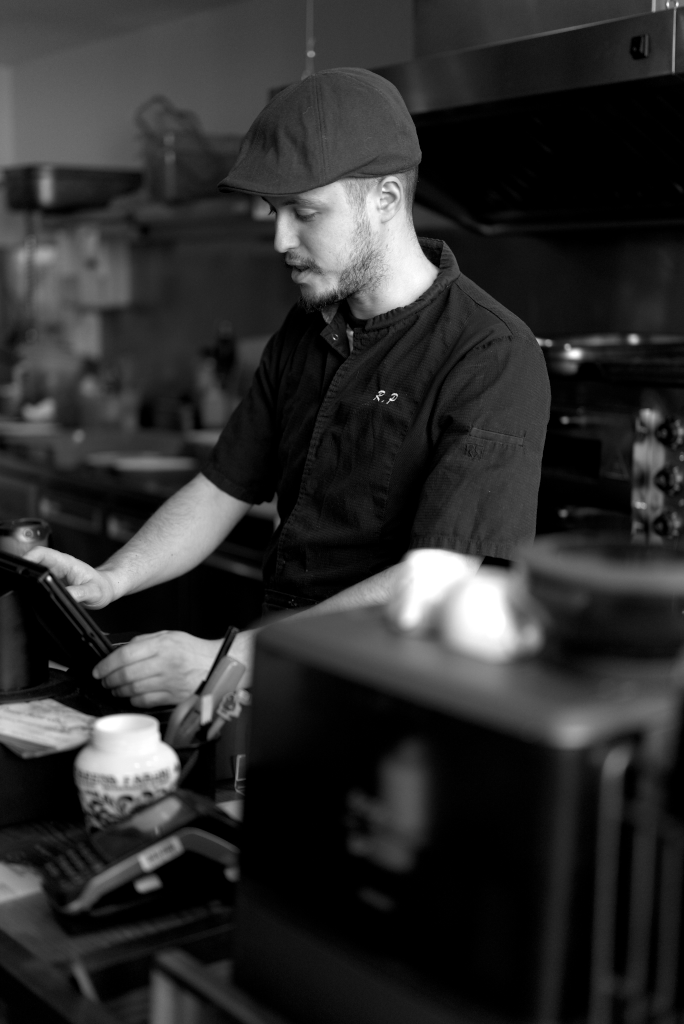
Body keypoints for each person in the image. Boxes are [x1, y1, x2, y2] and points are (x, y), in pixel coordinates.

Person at [26, 68, 550, 708]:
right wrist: (113, 580)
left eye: (306, 213)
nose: (281, 240)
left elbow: (437, 578)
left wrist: (232, 659)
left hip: (397, 695)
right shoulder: (306, 329)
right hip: (283, 676)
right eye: (276, 212)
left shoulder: (491, 351)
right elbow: (222, 487)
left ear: (386, 198)